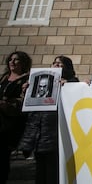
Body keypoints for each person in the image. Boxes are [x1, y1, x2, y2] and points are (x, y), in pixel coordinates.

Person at [19, 55, 79, 184]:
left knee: (54, 171)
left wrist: (68, 87)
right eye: (54, 63)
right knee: (40, 171)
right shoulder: (42, 82)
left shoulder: (72, 82)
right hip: (40, 134)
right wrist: (28, 93)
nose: (56, 65)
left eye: (60, 64)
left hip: (57, 133)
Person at [0, 51, 32, 184]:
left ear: (23, 63)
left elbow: (24, 102)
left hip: (9, 125)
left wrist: (6, 104)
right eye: (11, 59)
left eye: (16, 60)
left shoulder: (26, 80)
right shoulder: (3, 78)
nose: (12, 62)